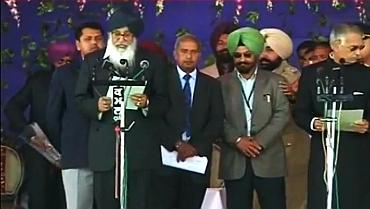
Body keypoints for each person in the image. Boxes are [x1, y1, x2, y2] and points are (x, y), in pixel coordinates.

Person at [74, 7, 167, 209]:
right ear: (110, 36)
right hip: (105, 150)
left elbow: (164, 101)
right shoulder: (93, 62)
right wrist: (96, 106)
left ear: (134, 37)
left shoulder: (152, 62)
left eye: (126, 34)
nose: (121, 39)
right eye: (116, 34)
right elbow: (80, 99)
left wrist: (147, 103)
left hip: (140, 151)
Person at [294, 23, 370, 209]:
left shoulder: (367, 75)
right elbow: (301, 111)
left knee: (355, 197)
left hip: (357, 151)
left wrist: (367, 124)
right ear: (335, 45)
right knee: (322, 196)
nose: (358, 53)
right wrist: (314, 123)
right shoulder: (312, 73)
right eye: (353, 48)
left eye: (361, 47)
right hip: (323, 149)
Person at [219, 27, 290, 209]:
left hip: (268, 159)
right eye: (238, 55)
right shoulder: (221, 84)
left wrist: (259, 142)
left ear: (257, 55)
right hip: (235, 161)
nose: (242, 59)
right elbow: (216, 117)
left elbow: (282, 114)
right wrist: (237, 140)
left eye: (247, 55)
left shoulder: (276, 81)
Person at [153, 33, 224, 209]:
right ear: (175, 54)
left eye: (193, 52)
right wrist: (176, 144)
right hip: (166, 159)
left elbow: (216, 120)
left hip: (197, 160)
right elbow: (154, 119)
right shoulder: (161, 81)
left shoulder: (211, 85)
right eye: (184, 51)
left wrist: (196, 147)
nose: (189, 56)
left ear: (200, 55)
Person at [4, 40, 75, 209]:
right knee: (40, 198)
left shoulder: (81, 80)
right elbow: (12, 107)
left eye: (68, 61)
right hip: (40, 148)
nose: (64, 64)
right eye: (60, 60)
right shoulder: (38, 80)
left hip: (71, 149)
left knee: (68, 199)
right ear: (52, 59)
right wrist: (27, 129)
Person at [46, 22, 105, 209]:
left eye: (98, 39)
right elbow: (53, 117)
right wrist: (63, 151)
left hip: (110, 156)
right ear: (78, 44)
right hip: (77, 154)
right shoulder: (65, 74)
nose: (94, 43)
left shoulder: (117, 72)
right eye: (88, 39)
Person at [259, 28, 311, 209]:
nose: (263, 55)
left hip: (290, 151)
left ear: (282, 53)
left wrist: (294, 97)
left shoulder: (295, 78)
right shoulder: (252, 76)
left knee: (292, 200)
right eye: (262, 49)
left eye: (269, 50)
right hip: (260, 152)